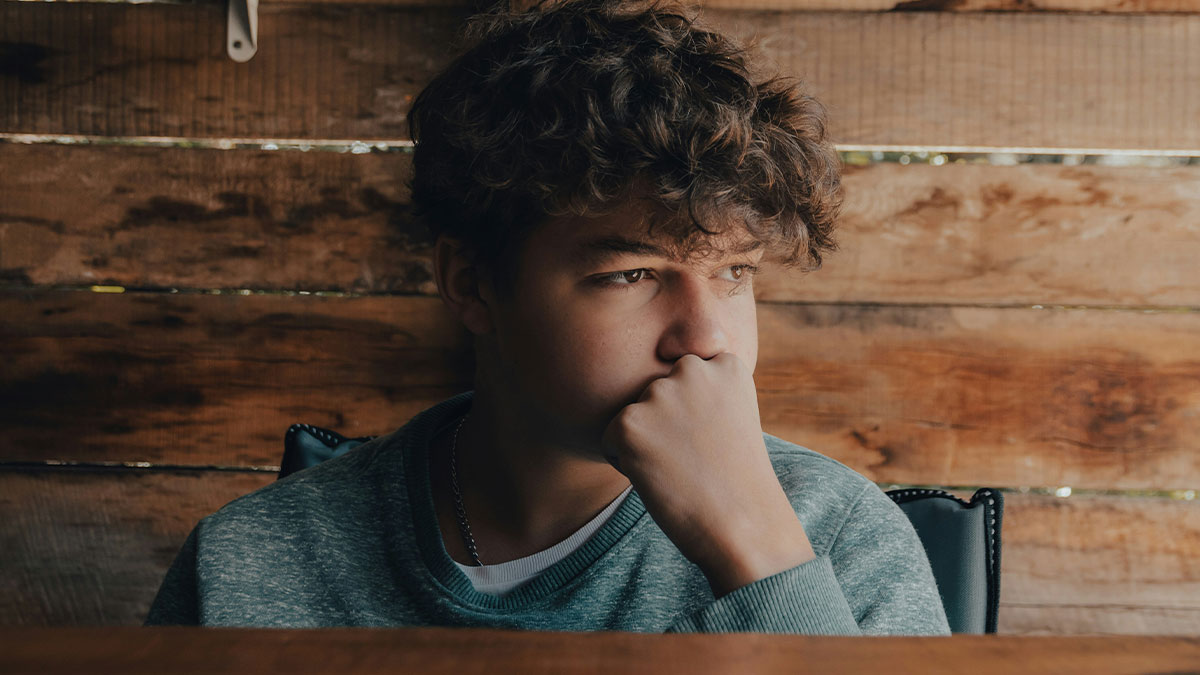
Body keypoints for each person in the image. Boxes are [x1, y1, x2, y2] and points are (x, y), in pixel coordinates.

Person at [145, 0, 950, 634]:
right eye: (632, 273)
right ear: (471, 282)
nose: (707, 339)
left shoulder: (842, 542)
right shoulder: (252, 561)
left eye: (734, 272)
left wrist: (760, 556)